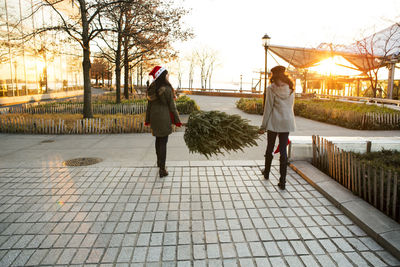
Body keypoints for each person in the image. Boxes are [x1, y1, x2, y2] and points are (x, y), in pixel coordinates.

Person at [259, 65, 295, 190]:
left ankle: (267, 172)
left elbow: (268, 108)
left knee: (270, 147)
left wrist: (263, 126)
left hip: (274, 122)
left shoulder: (271, 88)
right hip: (287, 121)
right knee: (283, 151)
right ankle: (283, 181)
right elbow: (291, 106)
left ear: (273, 75)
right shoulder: (290, 88)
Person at [145, 66, 182, 177]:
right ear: (162, 75)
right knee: (163, 143)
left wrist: (147, 120)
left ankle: (159, 163)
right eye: (166, 74)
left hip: (154, 117)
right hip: (164, 117)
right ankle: (162, 169)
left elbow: (149, 106)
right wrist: (177, 120)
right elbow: (172, 106)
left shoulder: (152, 88)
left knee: (158, 140)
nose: (168, 76)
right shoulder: (167, 88)